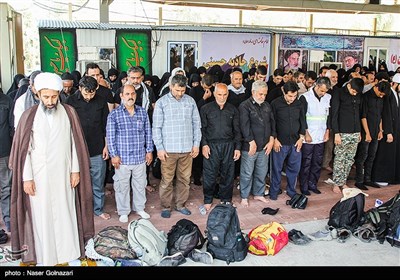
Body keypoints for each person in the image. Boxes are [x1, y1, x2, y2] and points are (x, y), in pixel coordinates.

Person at [9, 72, 94, 266]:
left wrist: (75, 170)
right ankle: (45, 255)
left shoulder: (69, 112)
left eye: (54, 96)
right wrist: (27, 178)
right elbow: (25, 151)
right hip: (39, 176)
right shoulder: (29, 116)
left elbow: (75, 144)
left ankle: (67, 251)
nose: (50, 101)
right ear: (38, 95)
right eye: (46, 97)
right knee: (42, 216)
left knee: (65, 212)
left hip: (64, 174)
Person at [152, 74, 201, 218]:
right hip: (168, 150)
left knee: (184, 180)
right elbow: (156, 128)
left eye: (183, 90)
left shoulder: (190, 101)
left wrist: (196, 144)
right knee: (167, 180)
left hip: (187, 149)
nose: (180, 93)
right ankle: (166, 206)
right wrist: (159, 148)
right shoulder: (162, 103)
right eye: (177, 90)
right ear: (171, 86)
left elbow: (196, 124)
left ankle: (180, 204)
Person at [107, 84, 153, 222]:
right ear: (121, 96)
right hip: (122, 158)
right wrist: (113, 155)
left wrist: (149, 151)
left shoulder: (142, 112)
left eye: (132, 93)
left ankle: (139, 208)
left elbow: (148, 133)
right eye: (127, 94)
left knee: (140, 184)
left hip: (139, 157)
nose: (130, 96)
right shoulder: (114, 114)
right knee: (122, 186)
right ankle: (123, 211)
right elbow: (110, 136)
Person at [65, 76, 110, 220]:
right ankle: (79, 210)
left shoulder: (101, 101)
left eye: (92, 93)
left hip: (97, 148)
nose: (89, 96)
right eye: (86, 93)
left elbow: (105, 126)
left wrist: (106, 146)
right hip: (77, 149)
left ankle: (98, 209)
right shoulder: (70, 102)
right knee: (78, 182)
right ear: (79, 88)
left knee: (98, 182)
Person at [200, 83, 241, 212]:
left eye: (224, 94)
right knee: (209, 174)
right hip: (211, 145)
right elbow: (202, 129)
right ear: (214, 93)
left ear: (228, 94)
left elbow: (237, 130)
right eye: (219, 94)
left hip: (228, 144)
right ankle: (208, 199)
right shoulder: (206, 109)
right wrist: (204, 144)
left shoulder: (233, 109)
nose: (222, 97)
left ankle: (226, 199)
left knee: (228, 173)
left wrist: (237, 147)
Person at [239, 81, 275, 207]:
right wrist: (250, 141)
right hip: (250, 146)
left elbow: (272, 123)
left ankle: (258, 193)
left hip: (264, 145)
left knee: (261, 171)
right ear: (253, 92)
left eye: (265, 94)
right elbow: (244, 125)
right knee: (247, 172)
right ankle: (244, 196)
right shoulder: (245, 106)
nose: (263, 97)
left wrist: (272, 139)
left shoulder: (267, 105)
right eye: (260, 94)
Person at [270, 81, 306, 200]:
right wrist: (274, 139)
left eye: (294, 96)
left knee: (294, 169)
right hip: (280, 142)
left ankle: (291, 191)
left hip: (296, 142)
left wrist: (301, 138)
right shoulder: (275, 104)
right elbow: (272, 123)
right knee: (277, 169)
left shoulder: (299, 103)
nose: (292, 99)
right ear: (283, 92)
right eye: (290, 96)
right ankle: (274, 192)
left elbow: (302, 121)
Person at [354, 81, 390, 190]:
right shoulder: (366, 97)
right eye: (381, 93)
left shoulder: (381, 98)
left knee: (372, 156)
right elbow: (363, 116)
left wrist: (380, 130)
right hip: (366, 131)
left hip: (376, 131)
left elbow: (380, 115)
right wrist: (367, 134)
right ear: (376, 87)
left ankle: (367, 179)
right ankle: (359, 180)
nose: (381, 95)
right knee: (362, 157)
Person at [298, 77, 332, 195]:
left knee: (317, 161)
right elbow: (301, 117)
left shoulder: (328, 98)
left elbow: (328, 116)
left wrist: (327, 131)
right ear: (316, 86)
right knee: (306, 162)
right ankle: (304, 185)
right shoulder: (305, 97)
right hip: (309, 135)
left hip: (321, 134)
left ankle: (313, 184)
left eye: (325, 91)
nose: (323, 93)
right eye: (322, 90)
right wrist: (305, 132)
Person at [330, 78, 364, 194]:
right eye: (353, 91)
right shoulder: (338, 93)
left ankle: (343, 182)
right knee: (339, 158)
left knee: (349, 159)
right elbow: (334, 115)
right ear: (349, 86)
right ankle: (336, 183)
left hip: (355, 131)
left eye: (356, 93)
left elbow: (358, 114)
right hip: (342, 132)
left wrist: (359, 131)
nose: (355, 94)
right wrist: (336, 133)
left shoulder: (358, 94)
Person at [0, 87, 12, 233]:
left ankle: (8, 218)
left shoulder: (7, 100)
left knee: (6, 188)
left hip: (4, 151)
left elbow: (11, 128)